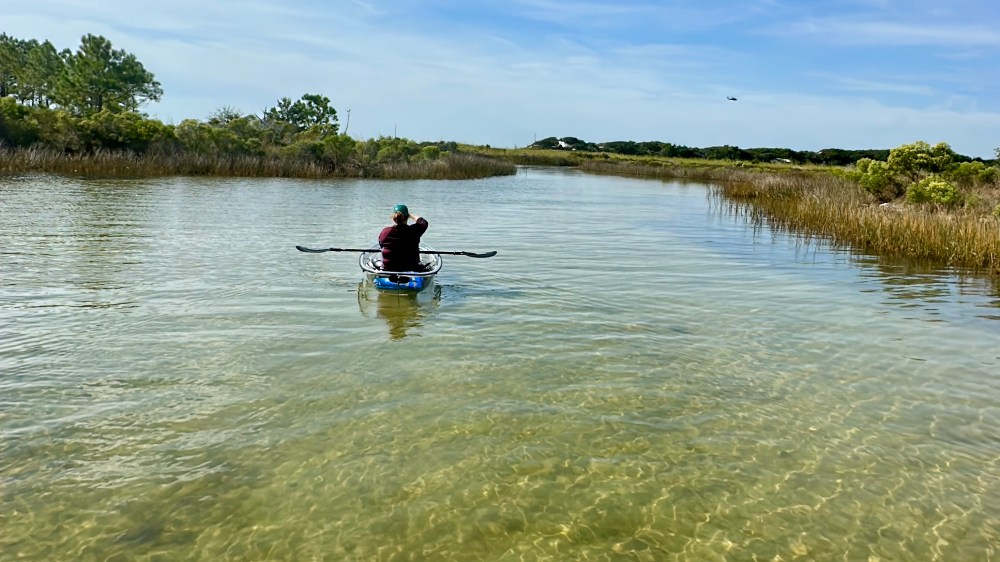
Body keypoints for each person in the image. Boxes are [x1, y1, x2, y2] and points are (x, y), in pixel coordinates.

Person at [378, 204, 428, 271]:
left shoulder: (385, 232)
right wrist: (411, 215)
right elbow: (423, 222)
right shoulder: (414, 230)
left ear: (393, 218)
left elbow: (381, 244)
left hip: (389, 268)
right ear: (407, 217)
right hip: (412, 268)